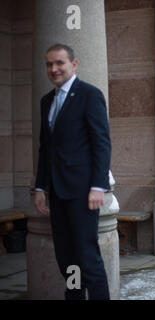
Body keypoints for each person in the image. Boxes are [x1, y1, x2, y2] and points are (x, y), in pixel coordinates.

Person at [33, 44, 111, 300]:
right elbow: (46, 148)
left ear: (74, 64)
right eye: (49, 64)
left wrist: (98, 186)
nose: (53, 69)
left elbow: (101, 143)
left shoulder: (90, 95)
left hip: (83, 192)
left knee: (87, 256)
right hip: (57, 192)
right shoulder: (47, 101)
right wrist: (40, 187)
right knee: (67, 258)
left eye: (59, 63)